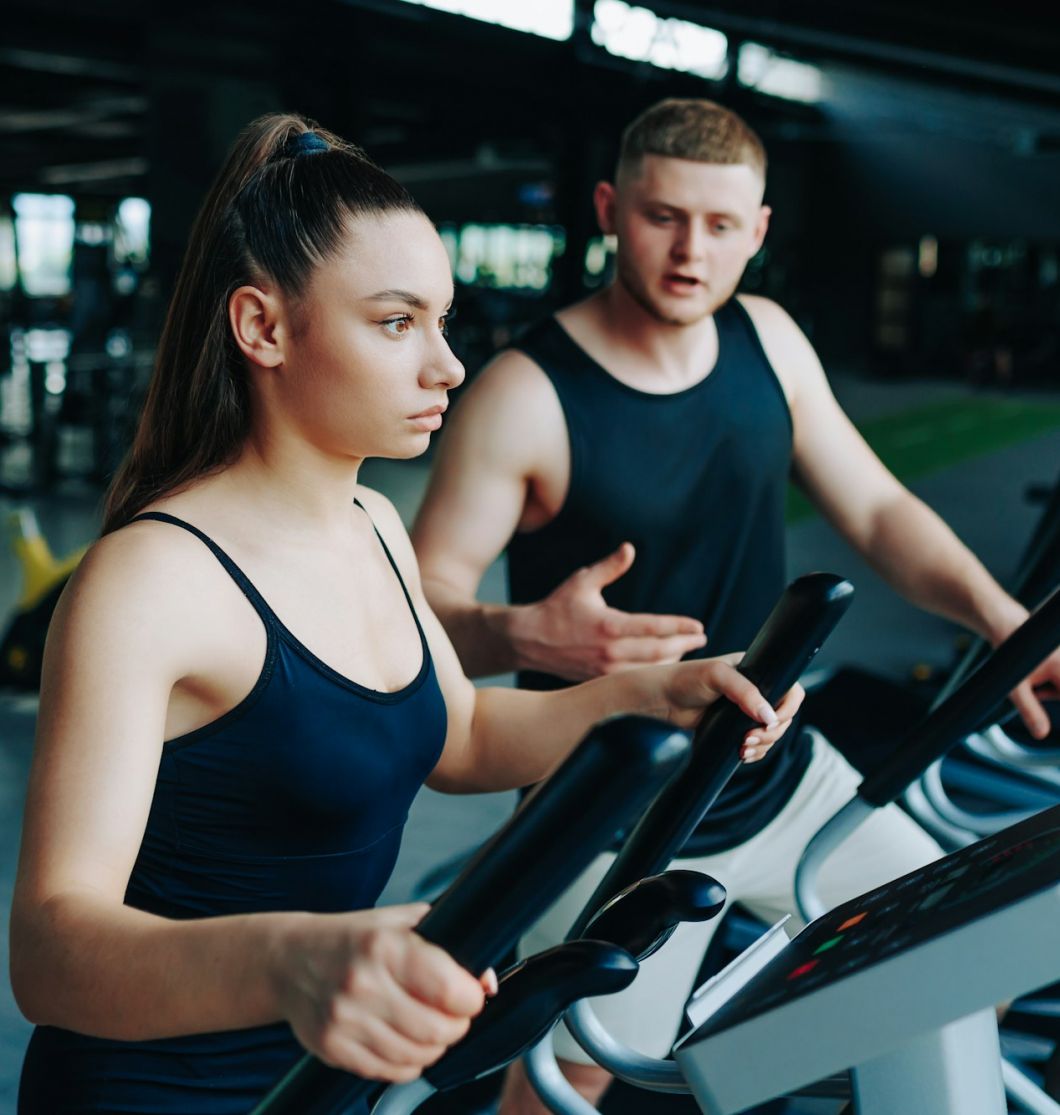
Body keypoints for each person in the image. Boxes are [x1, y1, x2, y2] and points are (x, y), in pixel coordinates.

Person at [7, 114, 802, 1115]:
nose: (447, 366)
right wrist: (296, 956)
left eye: (440, 319)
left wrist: (652, 695)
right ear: (263, 328)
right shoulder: (152, 581)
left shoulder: (374, 522)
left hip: (333, 1076)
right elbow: (48, 950)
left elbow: (458, 732)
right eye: (395, 323)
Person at [410, 97, 1060, 1113]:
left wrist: (999, 617)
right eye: (662, 216)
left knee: (964, 955)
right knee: (565, 1081)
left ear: (757, 230)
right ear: (608, 211)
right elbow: (421, 600)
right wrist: (521, 631)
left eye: (719, 226)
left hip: (779, 772)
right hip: (617, 816)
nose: (688, 251)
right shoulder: (527, 391)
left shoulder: (767, 338)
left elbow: (879, 508)